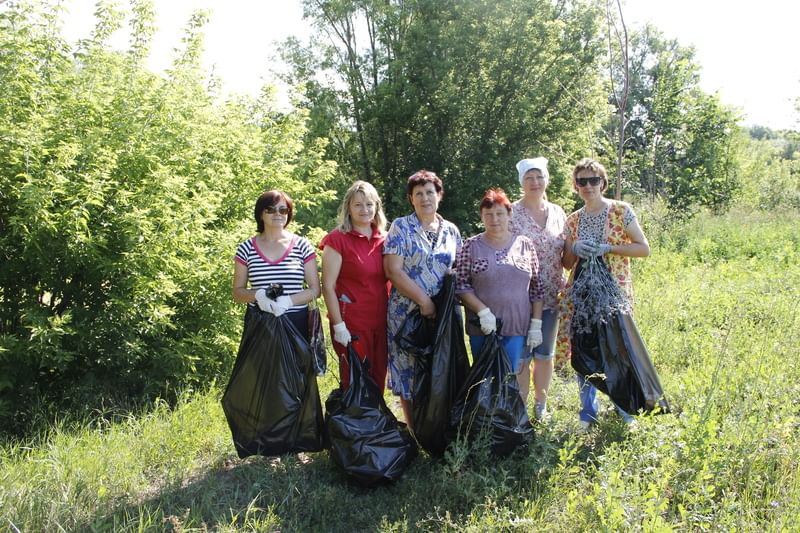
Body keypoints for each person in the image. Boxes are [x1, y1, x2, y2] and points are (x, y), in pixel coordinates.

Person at [562, 158, 651, 430]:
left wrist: (608, 248)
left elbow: (643, 248)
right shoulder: (572, 220)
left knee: (617, 350)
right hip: (582, 297)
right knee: (585, 351)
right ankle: (588, 413)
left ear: (603, 182)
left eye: (594, 180)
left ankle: (625, 408)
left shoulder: (621, 211)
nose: (588, 186)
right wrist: (573, 248)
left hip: (613, 294)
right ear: (576, 186)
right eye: (582, 181)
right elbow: (566, 263)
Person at [384, 170, 463, 430]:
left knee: (439, 367)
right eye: (419, 193)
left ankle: (437, 427)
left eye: (430, 192)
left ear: (439, 195)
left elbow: (459, 270)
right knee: (408, 371)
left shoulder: (451, 230)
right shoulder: (401, 227)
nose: (425, 198)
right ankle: (415, 429)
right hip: (407, 312)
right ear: (411, 199)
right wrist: (423, 301)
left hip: (442, 315)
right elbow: (393, 270)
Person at [456, 187, 544, 400]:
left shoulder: (525, 245)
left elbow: (537, 287)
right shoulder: (471, 246)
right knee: (484, 377)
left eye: (499, 214)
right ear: (482, 217)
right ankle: (485, 425)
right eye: (488, 214)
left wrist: (536, 324)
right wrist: (482, 311)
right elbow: (460, 285)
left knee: (510, 376)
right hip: (482, 328)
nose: (494, 219)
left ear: (509, 214)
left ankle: (509, 423)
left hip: (516, 326)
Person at [509, 157, 567, 421]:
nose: (534, 183)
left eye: (539, 177)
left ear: (546, 180)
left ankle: (541, 405)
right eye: (529, 178)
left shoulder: (558, 212)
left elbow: (565, 253)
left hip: (553, 294)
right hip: (520, 298)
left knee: (544, 353)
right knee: (522, 354)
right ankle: (520, 405)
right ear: (521, 182)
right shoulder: (510, 213)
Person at [320, 181, 390, 392]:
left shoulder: (386, 239)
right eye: (358, 205)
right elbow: (328, 286)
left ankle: (376, 422)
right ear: (348, 208)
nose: (364, 210)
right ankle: (352, 423)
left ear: (377, 207)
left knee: (379, 375)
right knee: (355, 379)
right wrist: (339, 325)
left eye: (369, 204)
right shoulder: (337, 240)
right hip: (352, 322)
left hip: (382, 319)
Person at [232, 189, 321, 338]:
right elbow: (237, 293)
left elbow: (315, 290)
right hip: (261, 327)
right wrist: (259, 295)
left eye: (283, 209)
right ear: (261, 213)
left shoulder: (302, 246)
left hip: (297, 324)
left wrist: (289, 301)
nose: (278, 214)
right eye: (270, 210)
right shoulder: (246, 248)